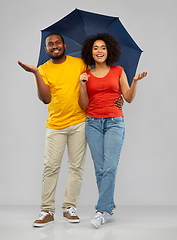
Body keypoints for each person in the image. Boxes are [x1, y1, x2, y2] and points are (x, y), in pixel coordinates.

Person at [18, 32, 124, 227]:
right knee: (51, 167)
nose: (55, 46)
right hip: (55, 125)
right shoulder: (42, 70)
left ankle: (69, 208)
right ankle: (47, 211)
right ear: (46, 49)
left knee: (76, 167)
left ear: (65, 45)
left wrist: (119, 98)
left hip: (80, 122)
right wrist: (35, 74)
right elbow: (45, 99)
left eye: (58, 43)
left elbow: (98, 82)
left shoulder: (80, 64)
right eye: (51, 44)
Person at [79, 33, 147, 229]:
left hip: (114, 122)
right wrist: (82, 85)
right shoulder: (86, 75)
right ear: (90, 52)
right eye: (95, 48)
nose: (99, 51)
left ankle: (100, 210)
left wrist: (134, 82)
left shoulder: (118, 71)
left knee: (110, 167)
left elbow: (128, 97)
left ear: (109, 51)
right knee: (100, 169)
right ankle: (108, 212)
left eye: (103, 48)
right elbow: (84, 106)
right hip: (92, 123)